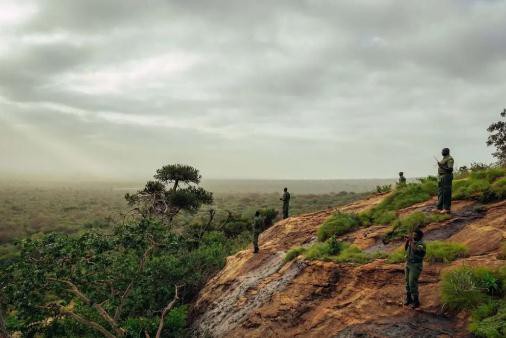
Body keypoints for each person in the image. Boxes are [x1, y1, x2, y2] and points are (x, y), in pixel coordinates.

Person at [404, 229, 426, 308]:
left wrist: (411, 241)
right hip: (408, 263)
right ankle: (409, 298)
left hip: (415, 265)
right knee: (407, 282)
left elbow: (416, 251)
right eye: (413, 234)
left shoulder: (421, 244)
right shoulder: (412, 242)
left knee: (412, 282)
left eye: (415, 235)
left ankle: (416, 301)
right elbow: (406, 249)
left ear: (420, 236)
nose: (413, 236)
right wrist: (407, 241)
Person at [437, 148, 454, 214]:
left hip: (446, 176)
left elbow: (450, 169)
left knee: (446, 192)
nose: (442, 152)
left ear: (447, 152)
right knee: (440, 192)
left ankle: (446, 208)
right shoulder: (444, 159)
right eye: (442, 151)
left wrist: (441, 166)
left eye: (443, 151)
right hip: (441, 177)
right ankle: (439, 208)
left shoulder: (450, 159)